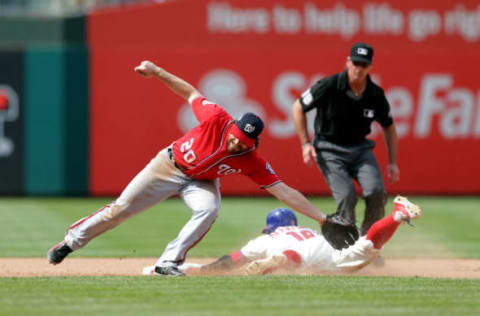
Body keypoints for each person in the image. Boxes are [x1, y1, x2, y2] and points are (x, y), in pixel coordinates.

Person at [47, 60, 334, 276]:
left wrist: (322, 219)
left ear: (253, 143)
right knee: (121, 208)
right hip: (168, 165)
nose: (236, 143)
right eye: (236, 136)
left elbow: (283, 191)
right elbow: (190, 92)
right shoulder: (216, 117)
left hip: (202, 181)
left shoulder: (251, 159)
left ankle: (168, 262)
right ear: (233, 125)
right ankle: (71, 242)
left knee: (209, 209)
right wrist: (156, 71)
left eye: (244, 142)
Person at [291, 42, 400, 241]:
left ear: (370, 67)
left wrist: (393, 162)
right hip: (329, 149)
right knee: (347, 197)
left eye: (363, 64)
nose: (359, 68)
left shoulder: (375, 94)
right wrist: (305, 143)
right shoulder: (329, 85)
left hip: (360, 149)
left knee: (377, 193)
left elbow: (389, 126)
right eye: (355, 63)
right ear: (348, 62)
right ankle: (347, 244)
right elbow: (298, 107)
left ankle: (368, 243)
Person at [186, 196, 420, 275]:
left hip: (300, 254)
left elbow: (233, 260)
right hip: (328, 247)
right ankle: (396, 217)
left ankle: (281, 260)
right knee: (367, 245)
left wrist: (204, 270)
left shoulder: (267, 238)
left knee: (290, 256)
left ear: (270, 227)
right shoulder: (304, 229)